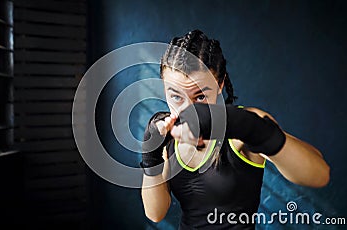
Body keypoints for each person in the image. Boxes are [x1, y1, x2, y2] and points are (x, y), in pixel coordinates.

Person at [140, 29, 330, 229]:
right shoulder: (167, 135)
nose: (190, 110)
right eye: (176, 97)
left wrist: (251, 127)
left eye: (201, 97)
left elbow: (320, 174)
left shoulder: (241, 129)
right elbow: (156, 214)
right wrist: (150, 156)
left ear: (220, 85)